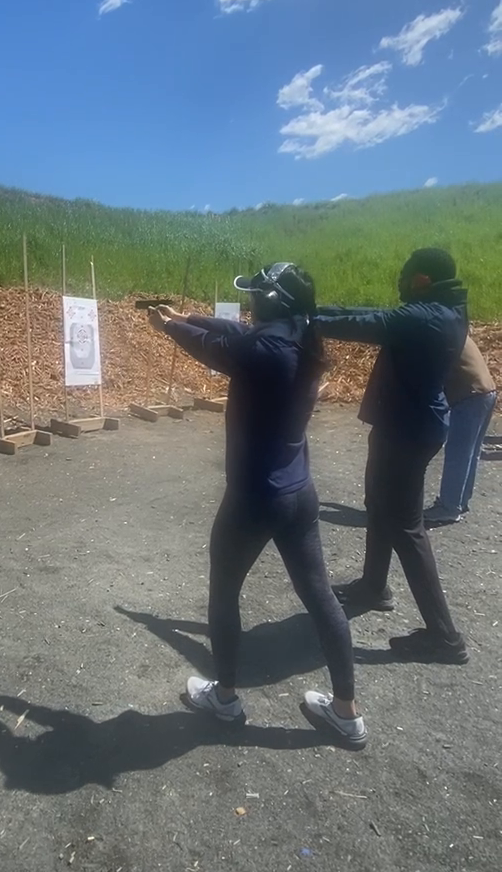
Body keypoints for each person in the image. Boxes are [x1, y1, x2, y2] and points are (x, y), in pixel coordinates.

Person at [148, 262, 367, 751]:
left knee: (224, 593)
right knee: (320, 595)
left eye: (257, 295)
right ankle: (346, 713)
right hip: (297, 492)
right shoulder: (300, 336)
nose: (250, 302)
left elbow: (218, 346)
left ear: (272, 301)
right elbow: (236, 331)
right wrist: (190, 315)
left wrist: (169, 327)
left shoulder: (264, 351)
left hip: (253, 498)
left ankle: (224, 698)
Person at [315, 248, 469, 664]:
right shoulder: (444, 311)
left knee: (406, 527)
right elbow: (367, 314)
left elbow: (363, 320)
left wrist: (307, 316)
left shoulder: (426, 316)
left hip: (408, 430)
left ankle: (445, 638)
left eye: (405, 275)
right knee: (379, 508)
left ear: (421, 280)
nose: (399, 281)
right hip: (403, 425)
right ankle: (373, 586)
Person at [425, 336, 497, 524]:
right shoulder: (456, 331)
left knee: (458, 454)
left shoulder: (439, 337)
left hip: (469, 396)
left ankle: (449, 507)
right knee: (470, 453)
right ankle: (460, 501)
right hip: (486, 391)